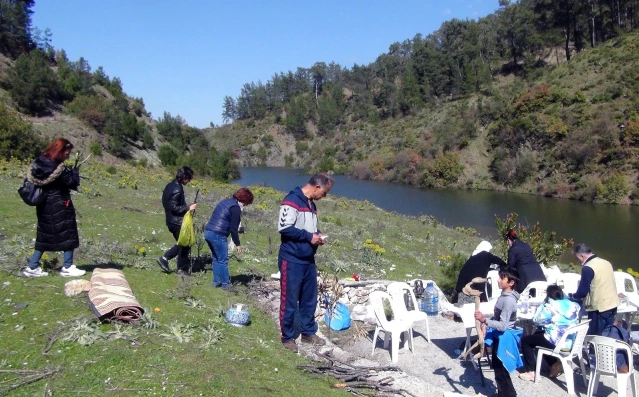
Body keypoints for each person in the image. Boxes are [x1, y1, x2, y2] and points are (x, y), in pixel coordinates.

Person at [278, 173, 333, 352]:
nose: (324, 196)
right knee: (290, 300)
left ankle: (308, 333)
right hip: (292, 258)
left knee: (309, 299)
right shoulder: (292, 201)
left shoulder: (312, 205)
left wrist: (318, 235)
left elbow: (309, 228)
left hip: (308, 259)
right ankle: (287, 337)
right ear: (317, 187)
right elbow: (285, 228)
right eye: (324, 192)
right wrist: (309, 237)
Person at [23, 138, 86, 278]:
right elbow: (71, 182)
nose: (68, 156)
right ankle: (68, 266)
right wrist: (74, 173)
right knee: (68, 234)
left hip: (44, 205)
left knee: (43, 236)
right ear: (60, 151)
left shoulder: (39, 162)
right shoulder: (57, 168)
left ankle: (32, 267)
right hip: (59, 204)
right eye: (66, 153)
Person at [518, 285, 581, 381]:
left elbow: (536, 320)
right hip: (569, 343)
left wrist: (543, 303)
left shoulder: (550, 307)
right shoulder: (573, 305)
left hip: (557, 342)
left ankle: (531, 372)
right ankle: (555, 364)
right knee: (538, 336)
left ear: (548, 295)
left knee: (526, 341)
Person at [475, 268, 521, 397]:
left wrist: (484, 320)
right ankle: (507, 393)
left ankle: (507, 395)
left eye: (502, 278)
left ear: (511, 282)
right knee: (498, 368)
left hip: (504, 339)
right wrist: (485, 324)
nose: (498, 280)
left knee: (501, 369)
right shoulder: (504, 296)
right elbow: (497, 318)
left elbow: (502, 325)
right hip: (499, 336)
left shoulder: (509, 301)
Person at [204, 187, 254, 290]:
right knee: (223, 260)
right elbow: (233, 229)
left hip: (208, 231)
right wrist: (238, 244)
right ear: (244, 200)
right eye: (247, 203)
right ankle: (226, 284)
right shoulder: (235, 208)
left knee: (216, 258)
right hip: (218, 234)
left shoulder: (226, 201)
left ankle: (216, 282)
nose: (246, 205)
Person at [568, 243, 618, 336]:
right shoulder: (606, 262)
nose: (577, 261)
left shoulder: (588, 267)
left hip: (599, 308)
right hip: (613, 303)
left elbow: (582, 292)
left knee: (596, 337)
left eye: (576, 258)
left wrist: (572, 296)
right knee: (608, 334)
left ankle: (594, 350)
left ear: (582, 256)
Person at [157, 167, 197, 276]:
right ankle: (180, 269)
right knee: (184, 244)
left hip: (171, 220)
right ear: (184, 177)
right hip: (176, 222)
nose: (188, 181)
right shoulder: (177, 189)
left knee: (182, 244)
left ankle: (166, 259)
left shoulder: (170, 185)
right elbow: (173, 207)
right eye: (188, 179)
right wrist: (188, 208)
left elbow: (168, 204)